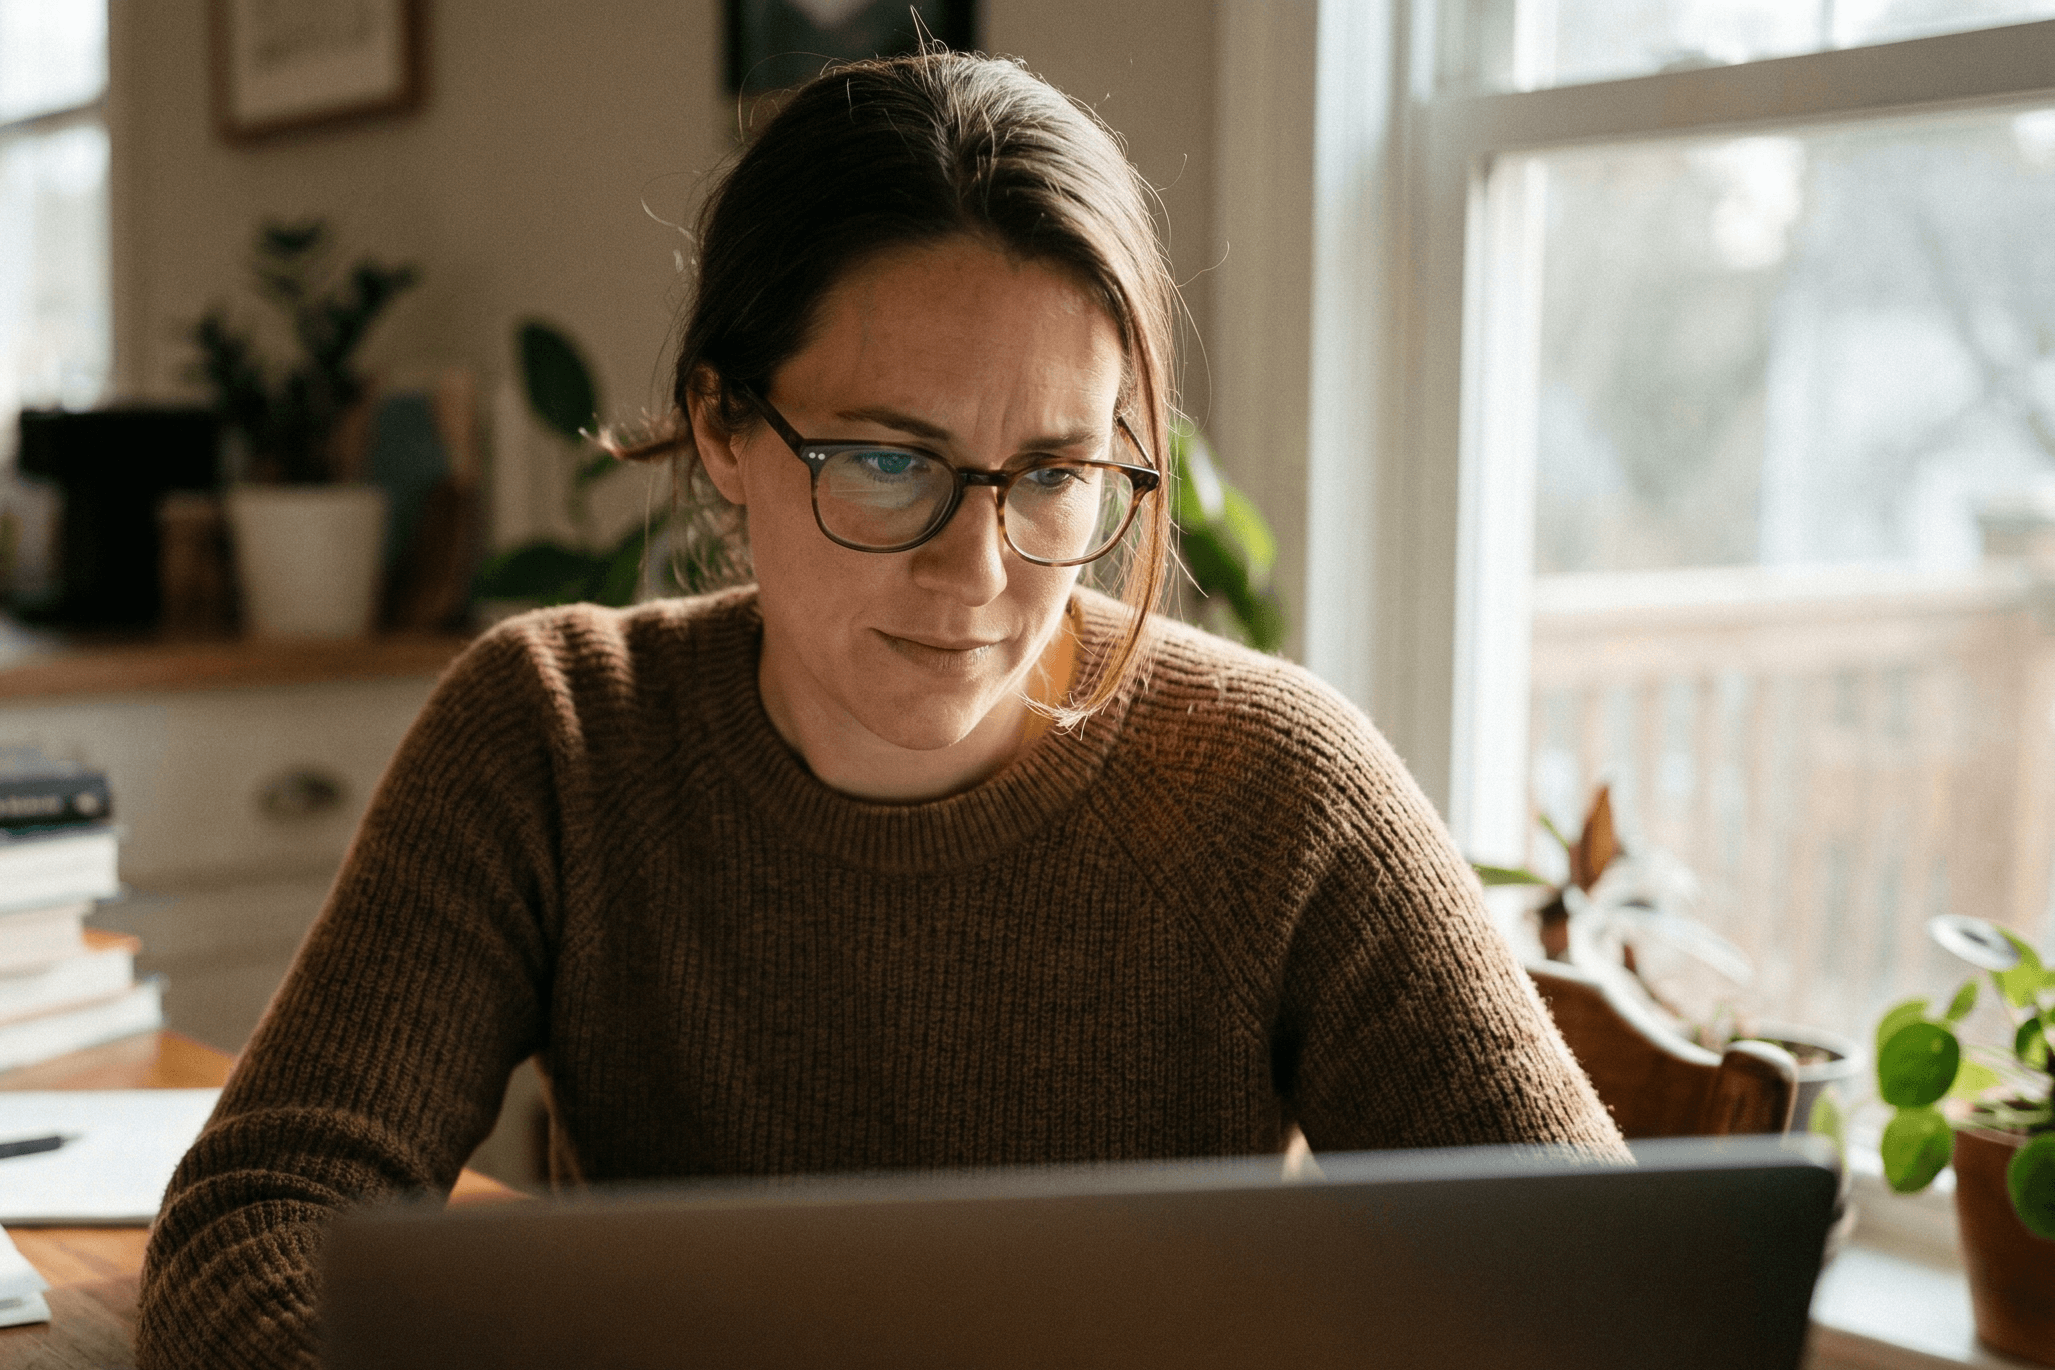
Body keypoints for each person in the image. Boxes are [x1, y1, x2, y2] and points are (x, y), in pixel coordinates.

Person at [136, 50, 1620, 1370]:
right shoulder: (557, 738)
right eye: (890, 462)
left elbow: (1602, 1291)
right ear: (724, 425)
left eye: (1051, 473)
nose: (977, 572)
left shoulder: (1277, 790)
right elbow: (257, 1221)